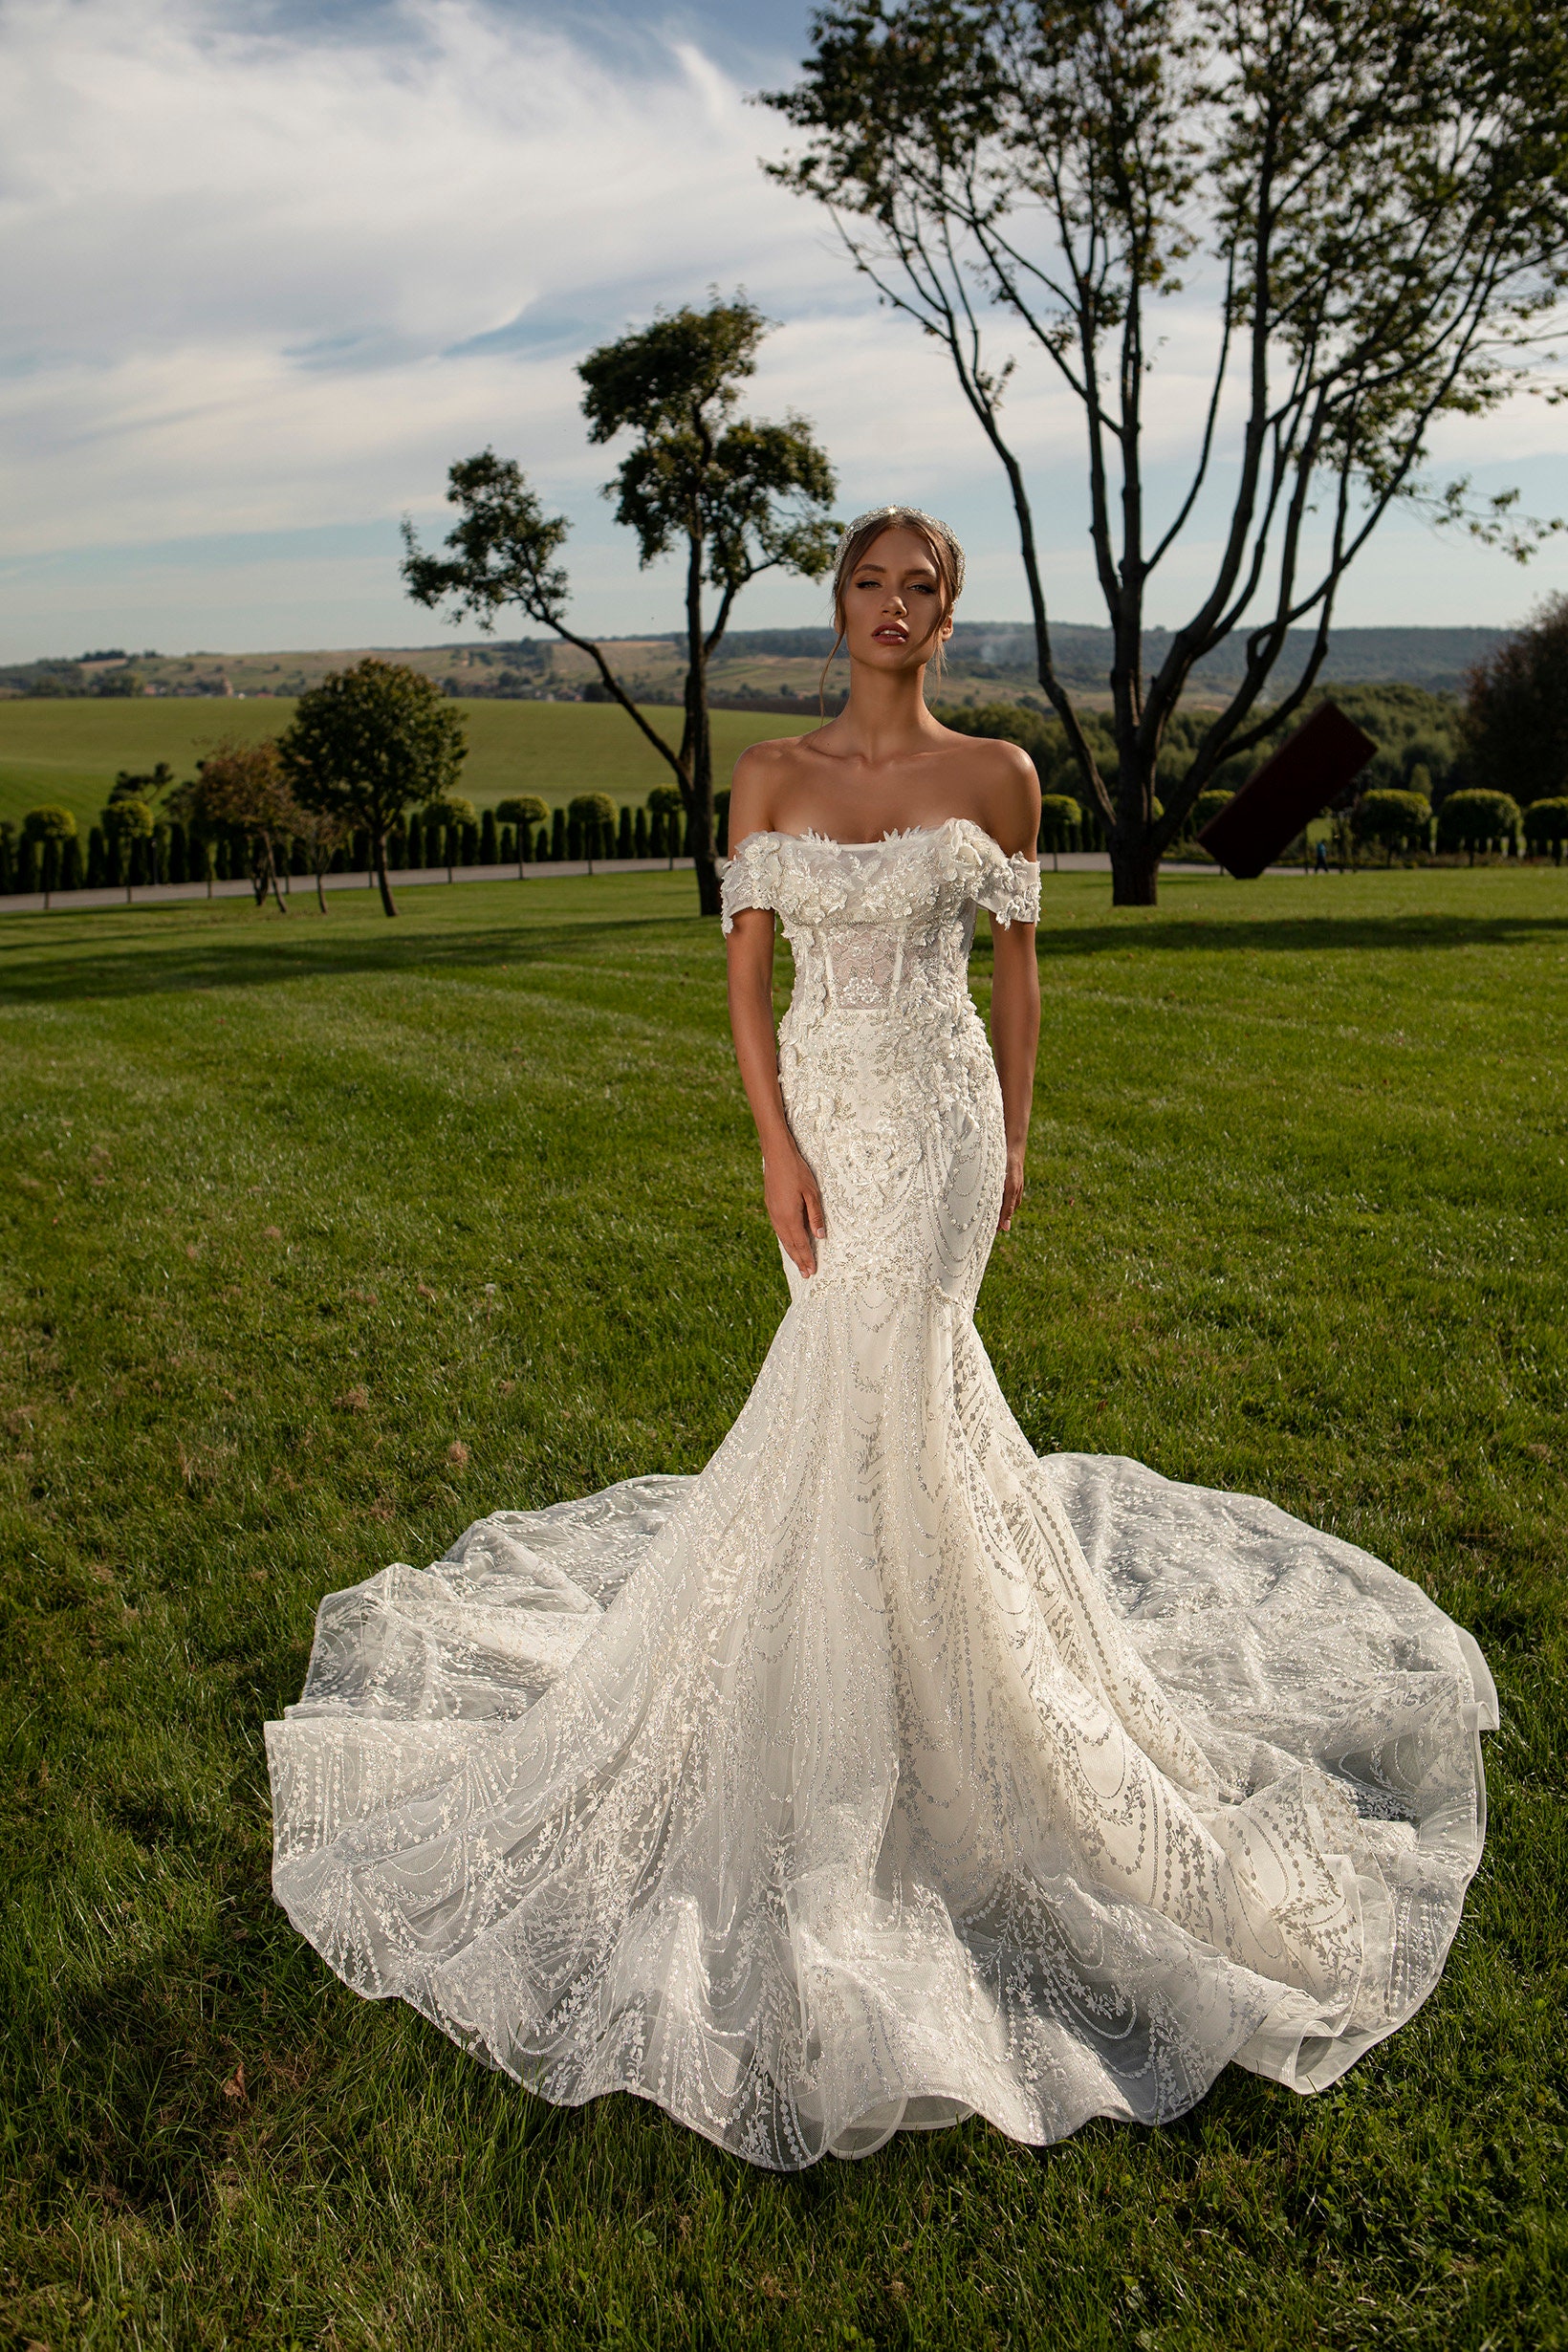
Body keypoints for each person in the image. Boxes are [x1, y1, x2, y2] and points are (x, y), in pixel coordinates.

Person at [266, 507, 1494, 2172]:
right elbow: (748, 980)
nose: (898, 607)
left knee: (898, 1388)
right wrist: (772, 1145)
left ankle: (947, 1705)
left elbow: (1020, 978)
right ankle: (862, 1671)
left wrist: (1021, 1133)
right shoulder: (767, 775)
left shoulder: (999, 778)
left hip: (941, 1116)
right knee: (850, 1403)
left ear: (948, 615)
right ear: (836, 602)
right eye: (872, 582)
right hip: (830, 1113)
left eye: (926, 588)